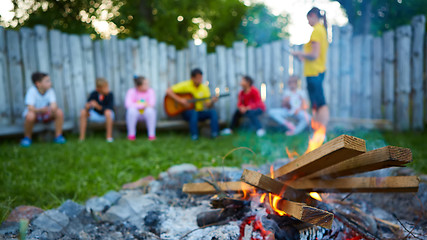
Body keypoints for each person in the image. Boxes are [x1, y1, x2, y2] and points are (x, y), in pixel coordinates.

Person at [292, 7, 329, 129]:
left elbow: (314, 55)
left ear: (313, 15)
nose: (308, 22)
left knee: (320, 104)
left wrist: (299, 53)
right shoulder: (321, 30)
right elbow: (312, 56)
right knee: (316, 104)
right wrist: (302, 57)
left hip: (315, 73)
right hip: (315, 72)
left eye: (308, 19)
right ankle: (317, 132)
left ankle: (321, 133)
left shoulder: (317, 31)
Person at [166, 68, 218, 140]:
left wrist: (212, 101)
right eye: (198, 78)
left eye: (201, 78)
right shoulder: (186, 85)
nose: (200, 80)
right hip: (188, 113)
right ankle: (194, 136)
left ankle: (214, 134)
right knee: (194, 112)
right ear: (192, 78)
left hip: (200, 112)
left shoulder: (204, 88)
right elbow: (168, 91)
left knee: (213, 112)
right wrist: (180, 100)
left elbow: (207, 105)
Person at [20, 72, 66, 147]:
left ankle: (58, 136)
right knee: (30, 115)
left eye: (50, 80)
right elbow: (30, 107)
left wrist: (53, 108)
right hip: (35, 115)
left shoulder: (50, 91)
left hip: (46, 114)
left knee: (59, 112)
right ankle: (27, 138)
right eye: (47, 81)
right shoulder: (32, 91)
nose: (50, 83)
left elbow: (53, 104)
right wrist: (40, 110)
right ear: (38, 84)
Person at [79, 78, 115, 142]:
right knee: (83, 112)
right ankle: (81, 138)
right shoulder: (94, 94)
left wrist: (98, 106)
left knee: (108, 112)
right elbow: (88, 105)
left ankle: (109, 137)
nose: (107, 89)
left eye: (107, 87)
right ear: (99, 89)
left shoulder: (110, 95)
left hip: (107, 116)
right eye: (105, 87)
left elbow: (110, 108)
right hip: (95, 115)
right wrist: (87, 106)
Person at [125, 76, 157, 141]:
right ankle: (131, 135)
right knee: (131, 111)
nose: (148, 85)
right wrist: (143, 104)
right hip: (135, 113)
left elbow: (152, 104)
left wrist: (136, 104)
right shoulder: (131, 91)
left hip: (146, 113)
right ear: (139, 86)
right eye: (145, 84)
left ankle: (151, 135)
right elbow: (127, 105)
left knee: (150, 111)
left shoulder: (150, 91)